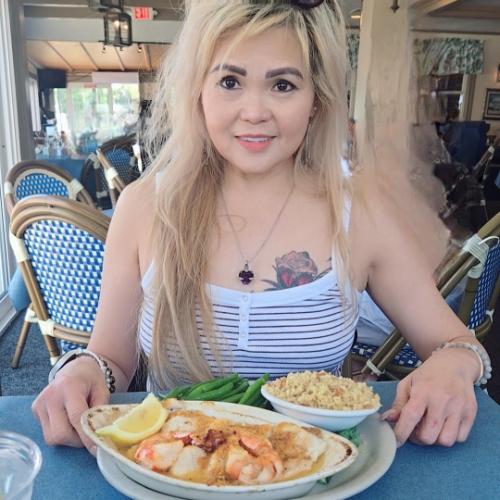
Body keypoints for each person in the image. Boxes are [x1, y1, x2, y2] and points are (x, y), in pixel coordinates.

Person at [33, 0, 488, 453]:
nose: (254, 112)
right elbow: (110, 359)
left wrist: (453, 367)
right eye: (230, 81)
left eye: (283, 85)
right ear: (198, 90)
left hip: (315, 467)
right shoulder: (143, 206)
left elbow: (457, 343)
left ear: (316, 99)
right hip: (176, 469)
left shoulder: (361, 213)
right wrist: (83, 370)